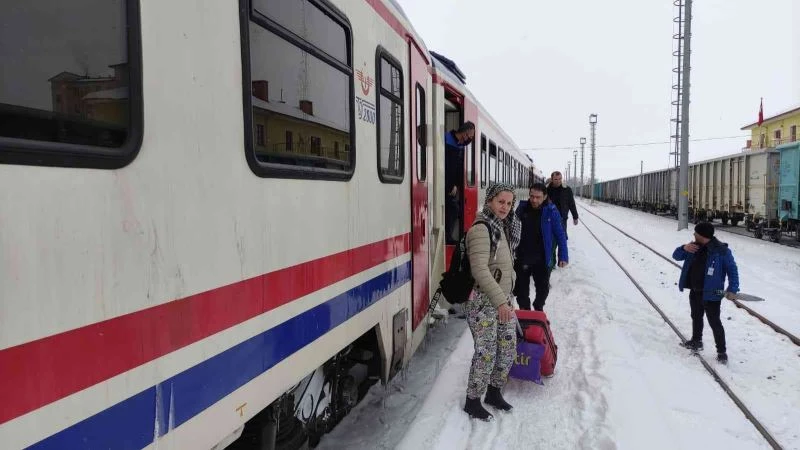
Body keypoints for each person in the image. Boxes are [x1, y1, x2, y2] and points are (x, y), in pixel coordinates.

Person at [463, 182, 521, 421]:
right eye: (500, 202)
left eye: (509, 203)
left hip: (502, 300)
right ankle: (472, 401)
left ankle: (494, 393)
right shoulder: (481, 229)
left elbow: (504, 264)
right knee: (486, 352)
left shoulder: (503, 227)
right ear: (489, 201)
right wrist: (500, 301)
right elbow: (479, 269)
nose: (505, 207)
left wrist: (510, 289)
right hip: (484, 302)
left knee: (507, 349)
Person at [672, 222, 739, 364]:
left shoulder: (721, 251)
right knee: (696, 317)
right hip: (696, 291)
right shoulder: (693, 246)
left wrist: (733, 289)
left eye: (695, 233)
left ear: (702, 235)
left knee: (715, 322)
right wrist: (684, 248)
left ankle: (722, 352)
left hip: (712, 294)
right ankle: (697, 341)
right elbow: (676, 256)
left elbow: (732, 271)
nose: (693, 235)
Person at [513, 183, 568, 311]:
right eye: (532, 196)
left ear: (544, 197)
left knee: (543, 290)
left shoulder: (551, 211)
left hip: (542, 258)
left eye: (538, 197)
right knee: (521, 292)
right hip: (522, 258)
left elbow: (561, 235)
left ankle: (538, 309)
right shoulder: (522, 209)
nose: (534, 200)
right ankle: (525, 312)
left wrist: (563, 256)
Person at [444, 121, 475, 243]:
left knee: (455, 208)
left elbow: (458, 169)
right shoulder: (446, 140)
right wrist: (450, 185)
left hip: (452, 186)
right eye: (470, 137)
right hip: (444, 183)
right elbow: (445, 167)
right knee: (453, 209)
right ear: (465, 133)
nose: (470, 140)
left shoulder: (459, 146)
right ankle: (447, 237)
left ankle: (448, 236)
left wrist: (456, 185)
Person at [546, 171, 578, 239]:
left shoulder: (567, 189)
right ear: (552, 179)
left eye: (560, 179)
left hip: (562, 219)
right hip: (549, 218)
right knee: (550, 240)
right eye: (556, 179)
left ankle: (562, 249)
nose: (558, 181)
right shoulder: (546, 189)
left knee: (562, 239)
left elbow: (571, 203)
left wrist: (575, 217)